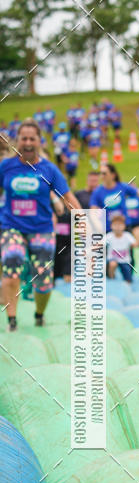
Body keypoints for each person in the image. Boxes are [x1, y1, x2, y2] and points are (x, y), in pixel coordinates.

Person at [0, 119, 80, 330]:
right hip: (11, 227)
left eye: (32, 139)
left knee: (43, 282)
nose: (27, 142)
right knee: (12, 266)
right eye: (23, 138)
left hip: (42, 229)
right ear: (17, 141)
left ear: (39, 142)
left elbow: (68, 196)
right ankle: (12, 319)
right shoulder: (6, 166)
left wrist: (84, 221)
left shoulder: (49, 169)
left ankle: (39, 313)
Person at [106, 213, 137, 283]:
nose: (118, 227)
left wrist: (136, 244)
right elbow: (100, 244)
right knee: (112, 264)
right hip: (113, 258)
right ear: (111, 226)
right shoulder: (109, 236)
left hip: (125, 260)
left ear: (124, 226)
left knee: (128, 277)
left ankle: (128, 281)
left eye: (120, 225)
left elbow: (134, 243)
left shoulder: (127, 235)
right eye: (115, 225)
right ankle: (111, 277)